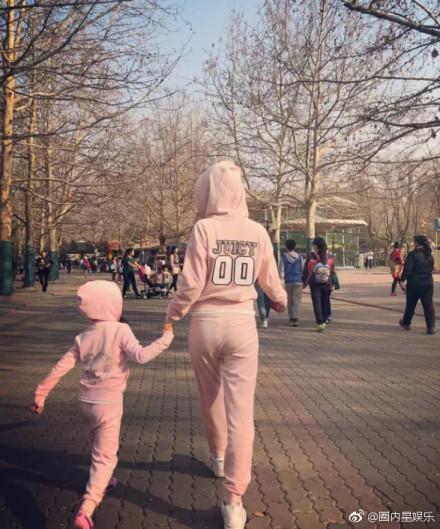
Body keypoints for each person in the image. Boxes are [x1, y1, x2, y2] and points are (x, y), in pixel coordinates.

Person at [165, 161, 287, 529]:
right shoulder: (257, 231)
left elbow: (191, 283)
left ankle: (218, 458)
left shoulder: (203, 229)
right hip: (242, 323)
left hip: (204, 322)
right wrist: (279, 299)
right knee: (242, 411)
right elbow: (270, 278)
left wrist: (174, 312)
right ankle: (234, 501)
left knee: (210, 397)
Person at [30, 281, 173, 529]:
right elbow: (141, 356)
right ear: (113, 305)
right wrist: (166, 338)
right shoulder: (120, 330)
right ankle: (87, 508)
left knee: (98, 447)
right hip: (109, 403)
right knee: (105, 457)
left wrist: (40, 395)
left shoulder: (83, 336)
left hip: (86, 402)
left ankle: (103, 481)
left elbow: (60, 367)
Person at [399, 235, 436, 335]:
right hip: (428, 284)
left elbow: (407, 269)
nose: (413, 243)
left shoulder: (412, 254)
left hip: (414, 284)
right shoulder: (429, 255)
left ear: (417, 243)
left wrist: (402, 280)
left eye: (414, 241)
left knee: (410, 305)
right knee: (428, 305)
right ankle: (431, 327)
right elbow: (431, 269)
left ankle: (406, 323)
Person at [302, 237, 335, 331]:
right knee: (325, 302)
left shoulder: (311, 257)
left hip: (315, 284)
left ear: (316, 246)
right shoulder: (330, 258)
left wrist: (304, 282)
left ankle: (320, 323)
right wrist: (333, 283)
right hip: (327, 283)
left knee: (317, 304)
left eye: (313, 245)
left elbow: (306, 271)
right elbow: (333, 272)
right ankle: (325, 319)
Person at [281, 239, 304, 327]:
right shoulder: (299, 257)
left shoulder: (284, 257)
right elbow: (302, 268)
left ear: (287, 247)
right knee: (297, 300)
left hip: (288, 281)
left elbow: (281, 269)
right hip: (298, 280)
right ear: (295, 247)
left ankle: (291, 318)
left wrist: (282, 278)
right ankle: (296, 318)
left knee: (290, 301)